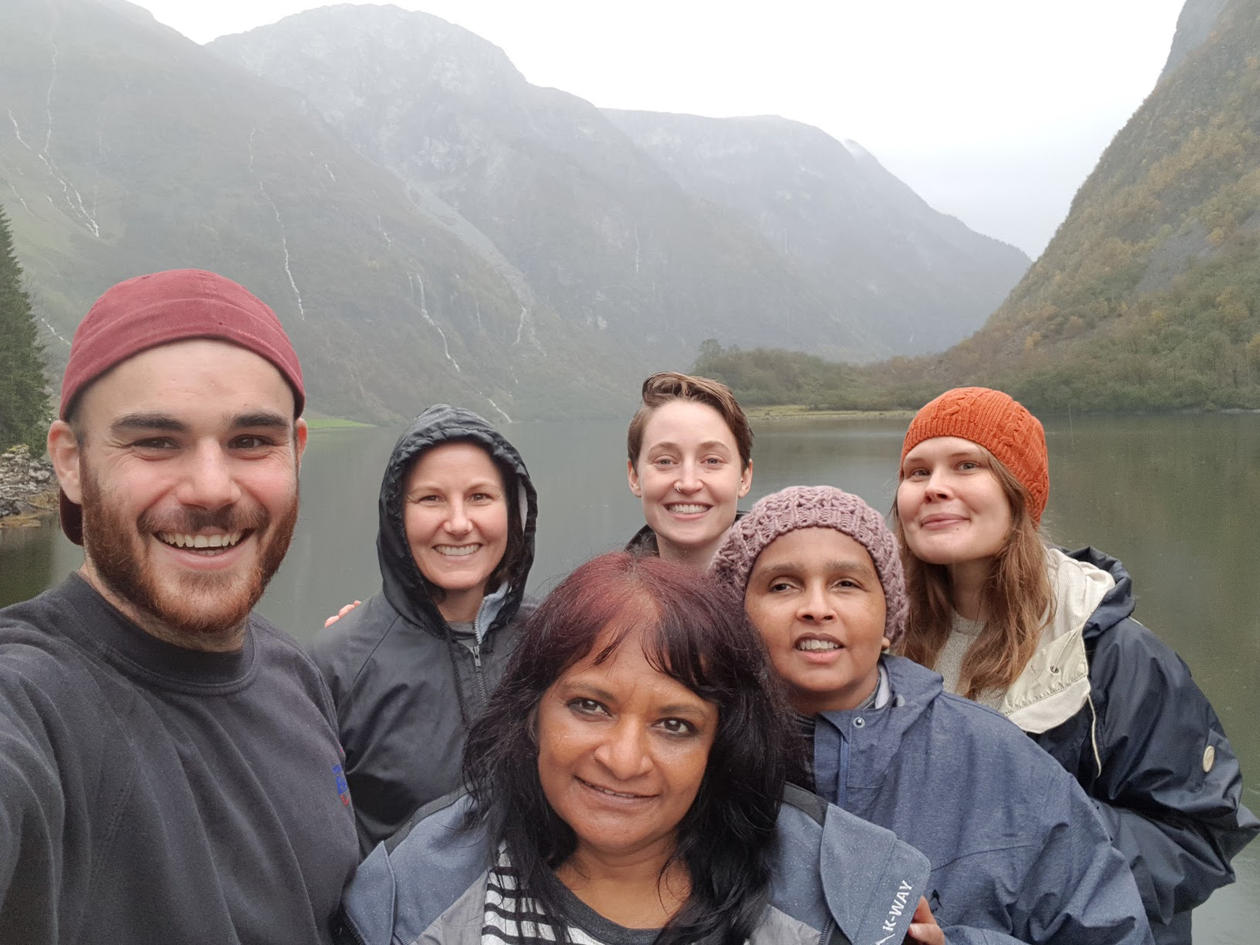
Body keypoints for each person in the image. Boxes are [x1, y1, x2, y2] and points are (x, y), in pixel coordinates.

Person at [0, 269, 359, 943]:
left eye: (251, 440)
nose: (211, 489)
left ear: (296, 452)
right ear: (70, 462)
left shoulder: (295, 675)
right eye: (155, 441)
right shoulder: (33, 703)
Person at [335, 552, 946, 945]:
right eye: (590, 706)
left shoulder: (838, 899)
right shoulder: (411, 895)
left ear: (721, 744)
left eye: (675, 724)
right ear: (532, 712)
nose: (623, 760)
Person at [893, 386, 1260, 945]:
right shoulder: (874, 637)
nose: (934, 486)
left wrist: (1021, 844)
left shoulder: (1108, 652)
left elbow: (1195, 839)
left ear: (1020, 494)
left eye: (967, 465)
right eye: (916, 472)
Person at [711, 485, 1154, 945]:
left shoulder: (1002, 763)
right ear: (736, 618)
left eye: (846, 584)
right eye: (782, 586)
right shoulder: (700, 758)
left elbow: (1114, 933)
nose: (817, 609)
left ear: (889, 620)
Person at [310, 403, 538, 852]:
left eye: (480, 497)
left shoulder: (556, 639)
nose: (458, 524)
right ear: (397, 515)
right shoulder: (337, 665)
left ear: (513, 512)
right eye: (431, 498)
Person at [625, 371, 752, 567]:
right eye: (665, 461)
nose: (688, 484)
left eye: (712, 461)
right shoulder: (600, 586)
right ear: (634, 477)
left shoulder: (797, 584)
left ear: (744, 478)